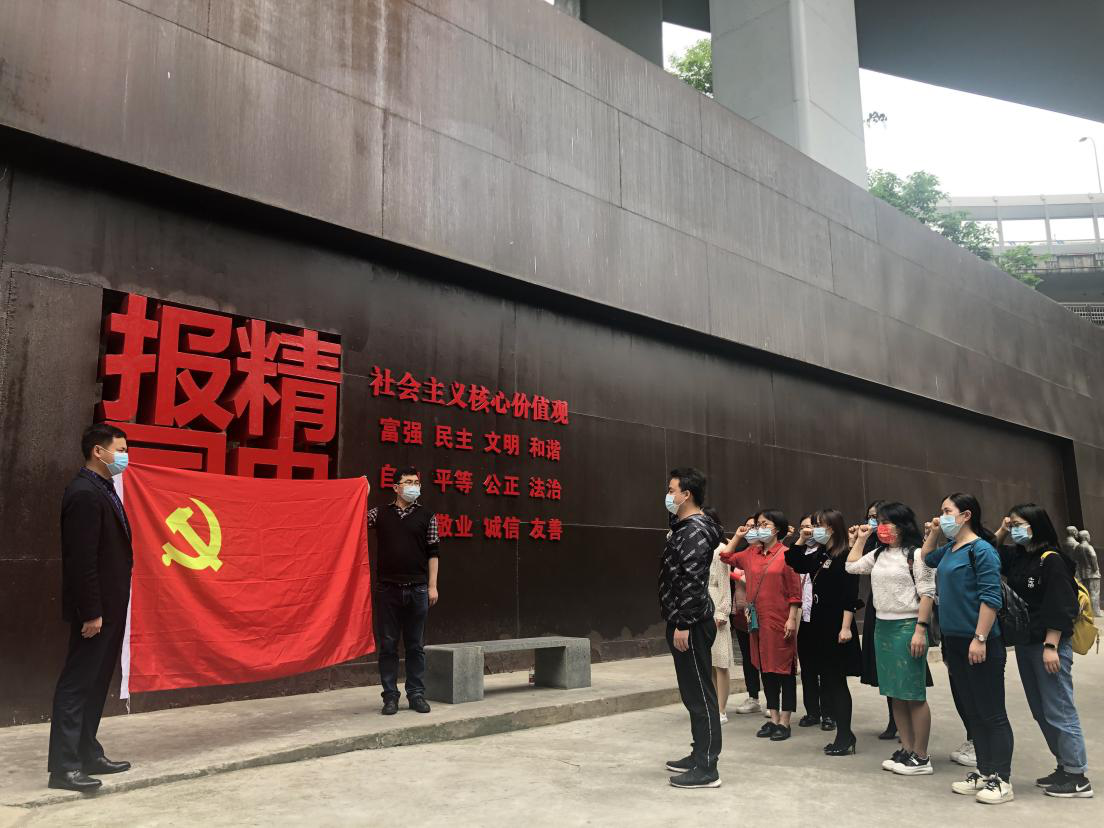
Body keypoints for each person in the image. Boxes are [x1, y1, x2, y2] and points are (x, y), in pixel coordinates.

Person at [47, 424, 134, 793]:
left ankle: (87, 752)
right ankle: (64, 767)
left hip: (110, 607)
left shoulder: (103, 488)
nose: (125, 457)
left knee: (97, 682)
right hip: (96, 611)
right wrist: (91, 612)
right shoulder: (84, 493)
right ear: (99, 451)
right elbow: (81, 560)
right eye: (121, 450)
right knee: (77, 683)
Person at [921, 492, 1014, 805]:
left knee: (992, 712)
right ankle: (984, 772)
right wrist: (935, 531)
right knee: (973, 711)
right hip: (955, 642)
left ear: (966, 515)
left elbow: (991, 598)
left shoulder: (981, 550)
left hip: (980, 641)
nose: (942, 516)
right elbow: (925, 557)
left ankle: (1002, 779)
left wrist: (981, 637)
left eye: (947, 511)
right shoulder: (950, 549)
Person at [994, 504, 1092, 798]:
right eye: (1012, 524)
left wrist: (1051, 645)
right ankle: (1064, 765)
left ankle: (1077, 775)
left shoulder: (1052, 560)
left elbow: (1061, 605)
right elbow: (989, 551)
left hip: (1049, 644)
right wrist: (1003, 529)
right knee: (1041, 710)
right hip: (1027, 643)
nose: (1014, 529)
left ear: (1036, 525)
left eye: (1019, 524)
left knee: (1058, 707)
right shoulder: (1020, 557)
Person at [846, 502, 935, 775]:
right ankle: (906, 748)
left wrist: (920, 630)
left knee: (913, 693)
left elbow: (927, 593)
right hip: (882, 627)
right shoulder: (878, 553)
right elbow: (851, 566)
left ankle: (921, 755)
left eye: (885, 522)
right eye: (878, 522)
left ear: (902, 525)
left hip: (908, 626)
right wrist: (861, 539)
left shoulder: (917, 554)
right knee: (895, 692)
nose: (880, 527)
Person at [661, 468, 724, 789]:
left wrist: (683, 623)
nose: (668, 495)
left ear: (686, 494)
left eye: (672, 490)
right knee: (692, 693)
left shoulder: (694, 531)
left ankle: (707, 767)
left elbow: (692, 580)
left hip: (692, 622)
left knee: (700, 694)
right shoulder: (686, 527)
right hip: (685, 618)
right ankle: (699, 752)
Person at [787, 509, 862, 755]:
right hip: (817, 623)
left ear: (833, 528)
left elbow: (850, 595)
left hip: (836, 625)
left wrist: (845, 627)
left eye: (819, 525)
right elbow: (795, 562)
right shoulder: (821, 554)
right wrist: (801, 537)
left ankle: (845, 734)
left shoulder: (845, 554)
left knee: (836, 681)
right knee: (828, 680)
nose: (814, 529)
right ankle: (844, 734)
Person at [721, 510, 801, 741]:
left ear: (778, 529)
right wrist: (738, 535)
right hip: (756, 622)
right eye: (758, 524)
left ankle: (785, 721)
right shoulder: (750, 553)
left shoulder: (787, 555)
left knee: (784, 670)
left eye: (765, 524)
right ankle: (773, 718)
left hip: (780, 620)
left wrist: (791, 619)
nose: (759, 528)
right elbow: (725, 556)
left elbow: (795, 593)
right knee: (765, 668)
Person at [367, 467, 439, 716]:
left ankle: (416, 694)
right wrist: (360, 493)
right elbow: (353, 520)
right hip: (387, 589)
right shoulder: (379, 513)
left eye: (417, 482)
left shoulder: (427, 516)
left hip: (418, 589)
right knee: (388, 645)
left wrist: (432, 586)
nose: (414, 486)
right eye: (408, 482)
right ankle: (390, 696)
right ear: (396, 487)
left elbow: (433, 553)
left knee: (415, 646)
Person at [857, 499, 898, 741]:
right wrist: (861, 538)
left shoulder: (908, 549)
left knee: (902, 669)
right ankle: (894, 719)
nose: (873, 522)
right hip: (878, 606)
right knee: (884, 667)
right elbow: (853, 565)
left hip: (902, 613)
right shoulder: (874, 546)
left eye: (879, 518)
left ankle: (907, 722)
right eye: (871, 517)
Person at [790, 514, 830, 731]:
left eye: (813, 527)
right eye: (804, 527)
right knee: (807, 668)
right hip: (803, 615)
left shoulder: (826, 552)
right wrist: (801, 540)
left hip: (822, 617)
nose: (809, 531)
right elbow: (791, 560)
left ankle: (829, 713)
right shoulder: (799, 553)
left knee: (826, 668)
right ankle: (812, 711)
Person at [707, 523, 733, 724]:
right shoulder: (698, 548)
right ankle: (711, 704)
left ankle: (721, 709)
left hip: (716, 606)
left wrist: (723, 611)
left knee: (721, 662)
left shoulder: (721, 550)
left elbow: (725, 583)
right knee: (708, 663)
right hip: (700, 608)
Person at [729, 563, 763, 715]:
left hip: (760, 612)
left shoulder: (762, 556)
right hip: (741, 613)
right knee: (748, 658)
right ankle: (753, 698)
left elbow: (751, 580)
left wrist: (731, 575)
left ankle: (774, 701)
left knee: (765, 657)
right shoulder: (739, 556)